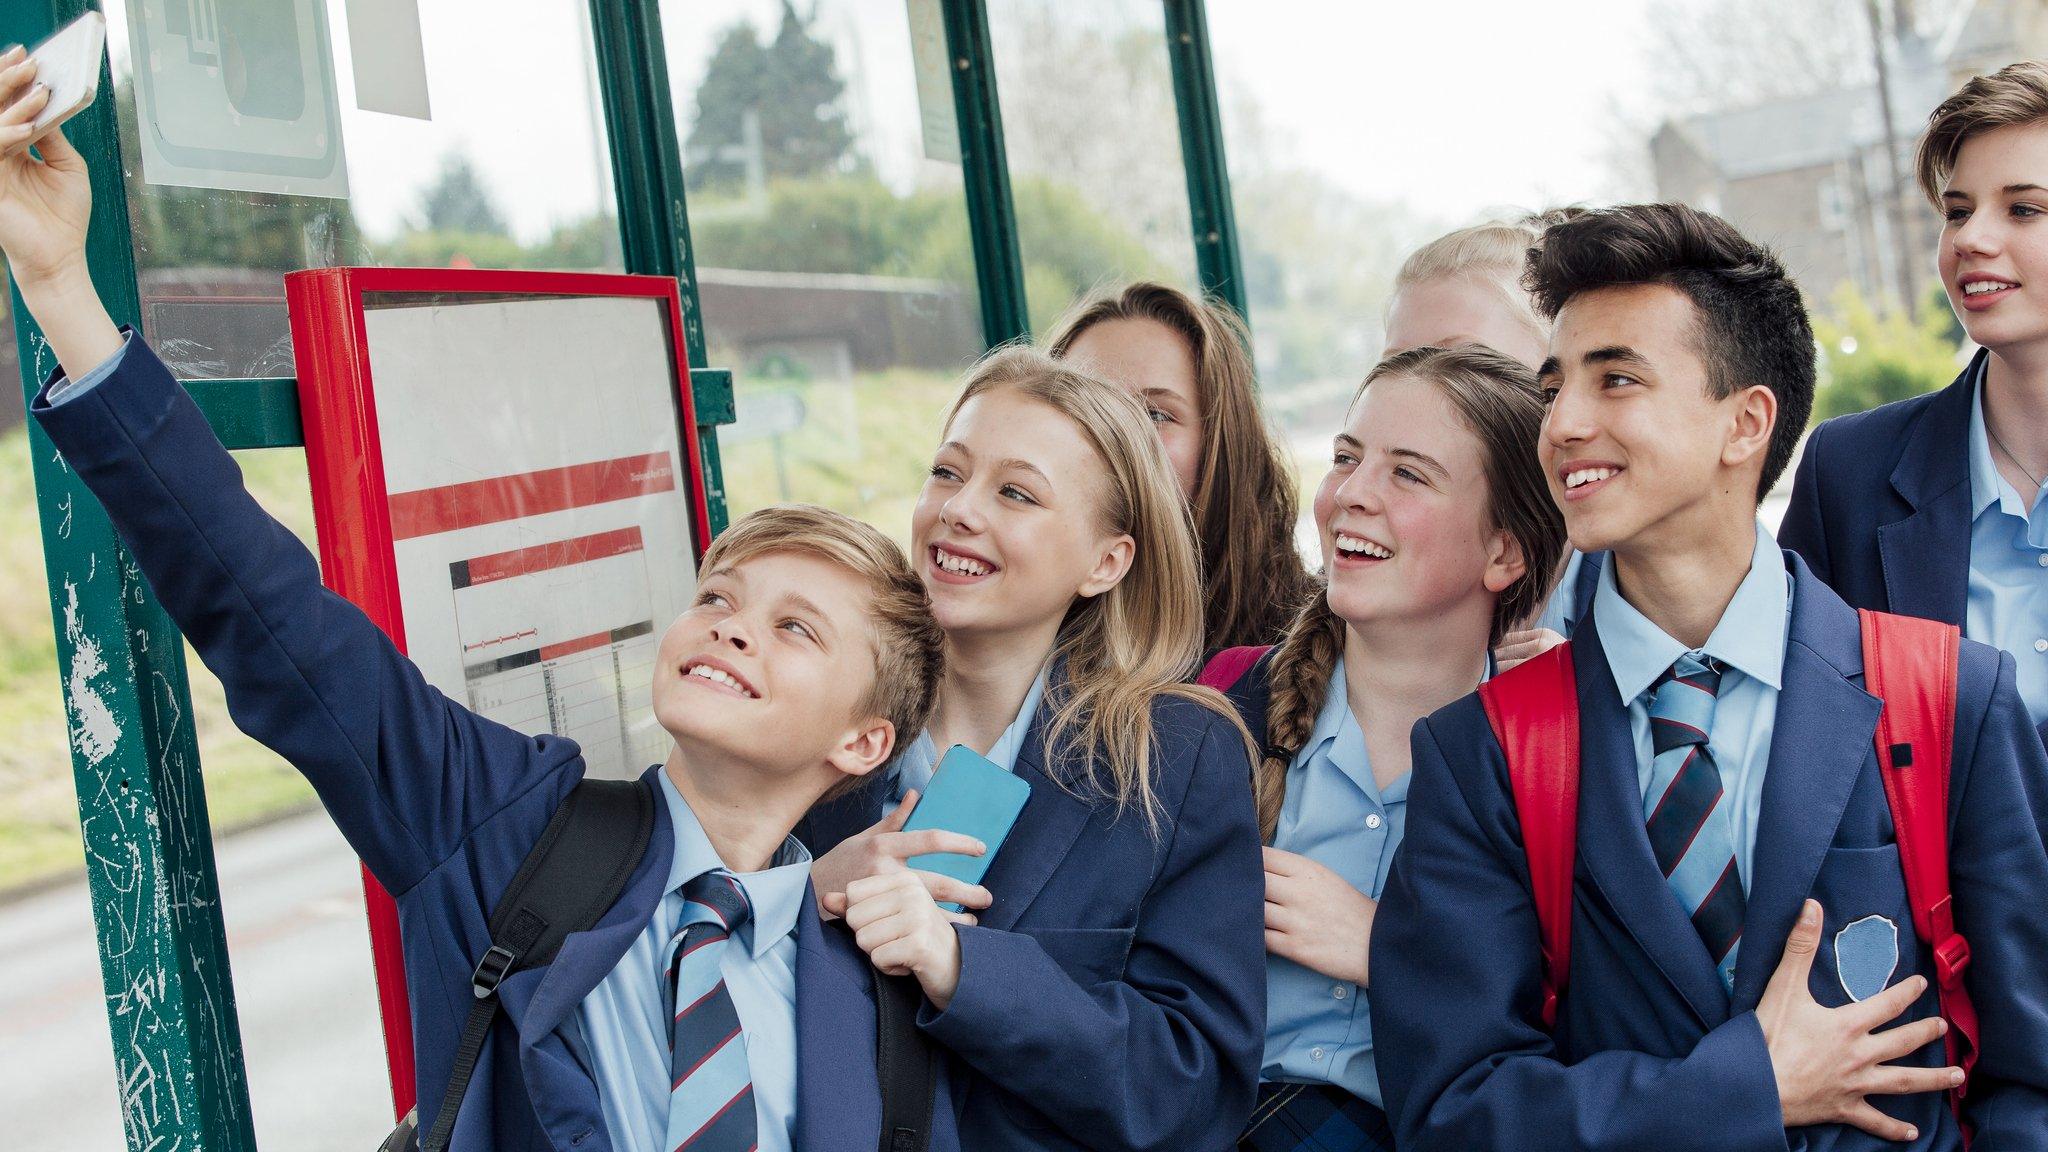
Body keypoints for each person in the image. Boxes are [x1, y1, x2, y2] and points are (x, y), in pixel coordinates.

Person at [0, 55, 958, 1152]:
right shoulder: (507, 828)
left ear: (864, 738)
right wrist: (60, 287)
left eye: (795, 628)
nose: (732, 622)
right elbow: (263, 606)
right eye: (719, 595)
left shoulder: (874, 1003)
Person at [1371, 203, 2048, 1151]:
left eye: (1617, 380)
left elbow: (2032, 1079)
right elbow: (1451, 1110)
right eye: (1555, 384)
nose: (1562, 423)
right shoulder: (1485, 751)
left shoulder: (1951, 698)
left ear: (1746, 423)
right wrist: (1749, 1088)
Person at [804, 348, 1267, 1150]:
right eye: (947, 474)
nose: (958, 509)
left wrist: (961, 969)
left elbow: (1193, 1088)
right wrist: (803, 896)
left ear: (1106, 561)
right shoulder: (815, 712)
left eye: (1015, 492)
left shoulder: (1179, 756)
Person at [1212, 345, 1565, 1151]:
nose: (1351, 496)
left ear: (1503, 553)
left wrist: (1387, 947)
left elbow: (1565, 1022)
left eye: (1408, 474)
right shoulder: (1223, 718)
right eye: (1345, 457)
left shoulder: (1553, 771)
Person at [1780, 60, 2048, 749]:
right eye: (1957, 211)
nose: (1969, 239)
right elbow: (1805, 743)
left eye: (2024, 208)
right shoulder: (1848, 471)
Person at [1049, 281, 1317, 649]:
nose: (1114, 435)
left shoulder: (1299, 647)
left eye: (1155, 414)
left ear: (1220, 447)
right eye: (1084, 407)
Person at [1381, 218, 1598, 669]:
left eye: (1466, 361)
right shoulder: (1366, 575)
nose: (1419, 388)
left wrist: (1585, 688)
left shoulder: (1636, 574)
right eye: (1397, 366)